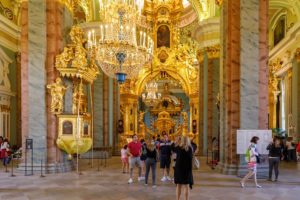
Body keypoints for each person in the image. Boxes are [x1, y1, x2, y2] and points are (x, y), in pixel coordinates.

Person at [174, 136, 193, 200]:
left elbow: (171, 146)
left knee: (178, 186)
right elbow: (190, 160)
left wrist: (176, 140)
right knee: (186, 186)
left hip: (178, 169)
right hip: (187, 169)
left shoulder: (178, 148)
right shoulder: (190, 149)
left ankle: (177, 199)